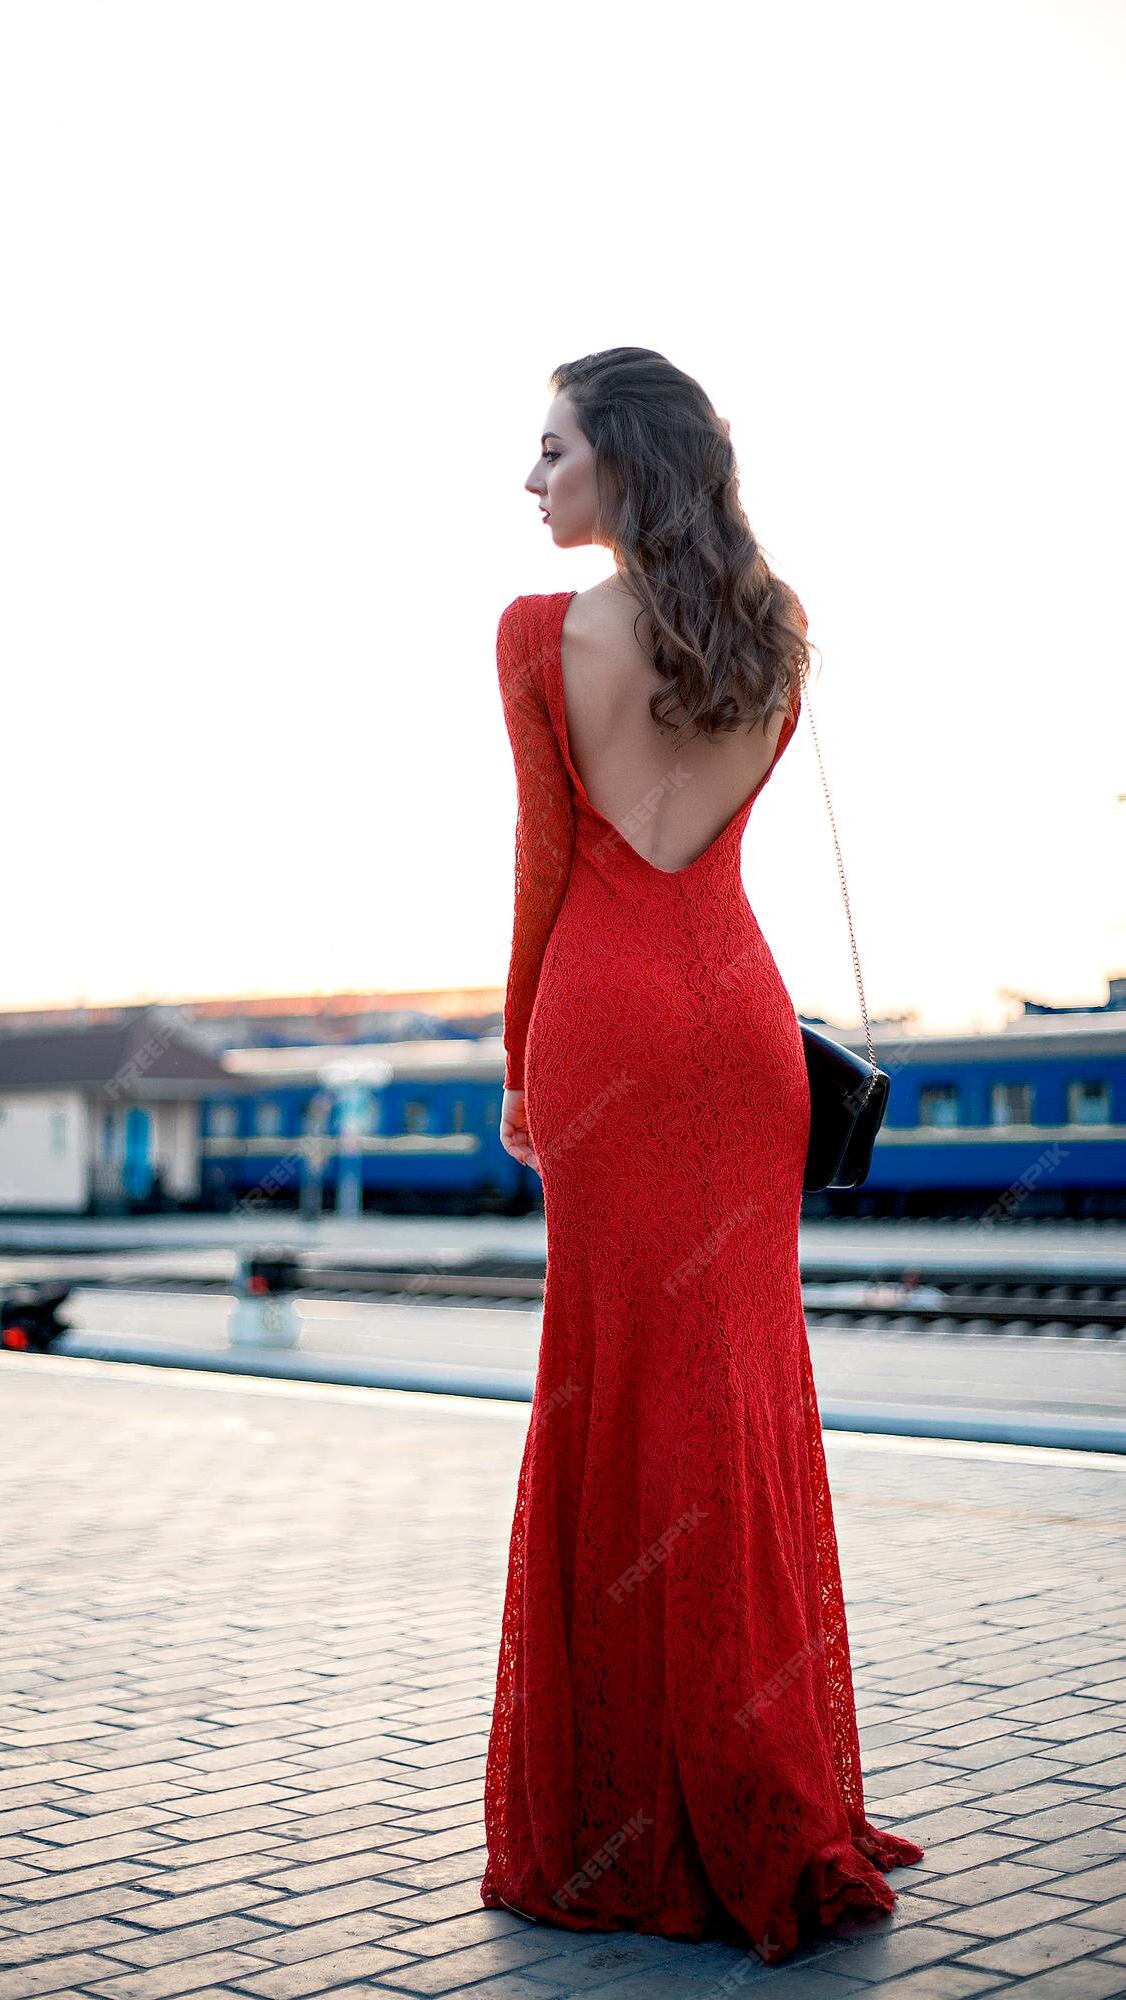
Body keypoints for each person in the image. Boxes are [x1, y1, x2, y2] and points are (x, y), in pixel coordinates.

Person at [480, 348, 924, 1967]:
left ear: (622, 461)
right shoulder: (774, 626)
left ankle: (623, 1805)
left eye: (550, 450)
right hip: (741, 1027)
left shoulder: (541, 634)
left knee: (612, 1377)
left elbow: (548, 864)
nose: (530, 482)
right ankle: (761, 1774)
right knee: (735, 1387)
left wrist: (521, 1058)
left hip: (602, 1015)